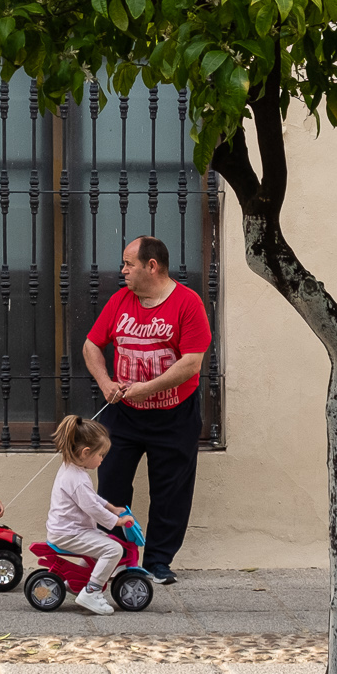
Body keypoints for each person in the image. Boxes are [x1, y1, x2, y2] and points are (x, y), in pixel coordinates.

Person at [80, 234, 211, 585]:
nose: (122, 270)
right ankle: (118, 554)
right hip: (123, 414)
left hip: (175, 414)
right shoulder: (121, 300)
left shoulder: (187, 303)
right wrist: (107, 384)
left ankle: (158, 562)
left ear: (151, 266)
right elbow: (92, 345)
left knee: (171, 491)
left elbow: (192, 363)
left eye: (128, 264)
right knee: (111, 484)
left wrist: (146, 390)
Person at [46, 414, 129, 615]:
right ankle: (91, 591)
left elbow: (91, 499)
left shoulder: (72, 469)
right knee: (114, 549)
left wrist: (111, 507)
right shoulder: (78, 479)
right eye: (100, 455)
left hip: (68, 530)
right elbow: (91, 507)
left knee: (101, 541)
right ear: (85, 452)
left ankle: (82, 580)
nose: (102, 460)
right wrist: (117, 521)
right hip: (69, 533)